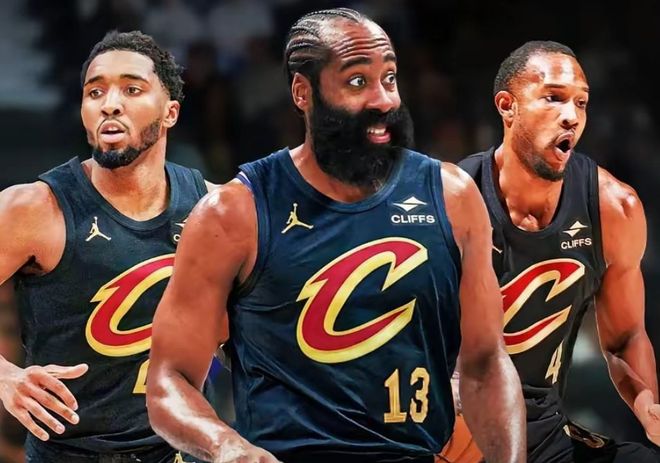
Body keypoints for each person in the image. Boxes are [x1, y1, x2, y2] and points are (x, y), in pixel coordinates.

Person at [147, 8, 526, 463]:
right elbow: (168, 381)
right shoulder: (234, 213)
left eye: (389, 78)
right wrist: (227, 447)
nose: (383, 100)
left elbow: (485, 363)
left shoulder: (452, 197)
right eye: (357, 81)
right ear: (302, 92)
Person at [0, 31, 214, 462]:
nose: (109, 104)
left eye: (132, 89)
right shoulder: (32, 208)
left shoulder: (215, 208)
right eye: (95, 92)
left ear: (170, 112)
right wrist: (4, 377)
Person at [457, 40, 660, 462]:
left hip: (542, 430)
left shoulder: (614, 208)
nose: (571, 116)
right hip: (456, 426)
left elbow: (625, 336)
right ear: (507, 106)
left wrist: (646, 403)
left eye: (581, 103)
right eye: (553, 98)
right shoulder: (453, 200)